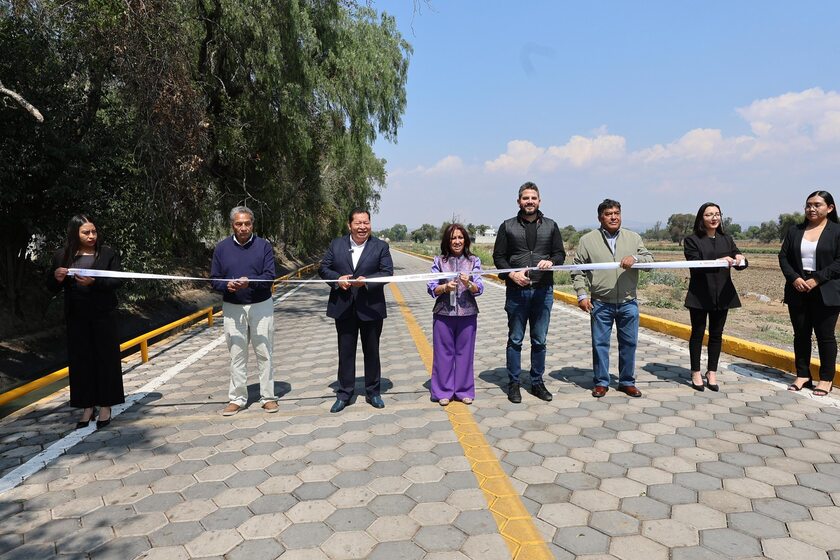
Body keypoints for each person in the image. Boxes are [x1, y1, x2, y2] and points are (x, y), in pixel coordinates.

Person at [47, 215, 125, 429]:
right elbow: (50, 286)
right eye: (86, 232)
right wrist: (56, 278)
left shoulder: (107, 253)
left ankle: (106, 405)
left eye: (94, 231)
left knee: (106, 359)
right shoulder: (62, 256)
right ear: (75, 233)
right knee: (81, 362)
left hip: (103, 314)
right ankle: (87, 407)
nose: (91, 236)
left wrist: (94, 283)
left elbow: (118, 280)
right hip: (77, 316)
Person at [572, 199, 654, 398]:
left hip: (628, 302)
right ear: (600, 217)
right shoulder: (587, 240)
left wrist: (635, 258)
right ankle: (601, 382)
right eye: (609, 214)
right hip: (600, 303)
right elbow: (577, 269)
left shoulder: (633, 238)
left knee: (629, 344)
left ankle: (627, 382)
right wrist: (582, 295)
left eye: (617, 213)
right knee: (600, 344)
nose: (613, 217)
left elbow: (650, 261)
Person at [493, 182, 566, 403]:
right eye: (526, 198)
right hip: (517, 292)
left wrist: (551, 261)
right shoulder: (507, 226)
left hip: (543, 291)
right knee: (515, 339)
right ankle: (514, 383)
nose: (530, 201)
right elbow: (499, 258)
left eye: (533, 198)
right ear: (519, 201)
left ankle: (537, 382)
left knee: (539, 340)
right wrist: (511, 274)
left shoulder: (551, 226)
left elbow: (560, 254)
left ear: (539, 201)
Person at [319, 208, 394, 413]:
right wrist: (338, 279)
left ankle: (373, 392)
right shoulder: (337, 244)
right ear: (349, 225)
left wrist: (368, 281)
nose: (362, 227)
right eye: (358, 223)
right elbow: (324, 268)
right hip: (344, 307)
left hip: (371, 308)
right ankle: (344, 393)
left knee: (372, 351)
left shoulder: (380, 246)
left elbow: (387, 272)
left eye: (366, 222)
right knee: (345, 352)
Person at [211, 206, 278, 416]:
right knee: (237, 354)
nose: (243, 228)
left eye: (247, 223)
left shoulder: (264, 246)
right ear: (232, 225)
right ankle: (237, 398)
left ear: (252, 224)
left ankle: (268, 397)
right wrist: (226, 285)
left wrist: (251, 281)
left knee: (264, 353)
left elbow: (270, 276)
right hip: (233, 308)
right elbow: (214, 279)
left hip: (261, 306)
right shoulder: (221, 248)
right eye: (239, 224)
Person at [779, 190, 840, 396]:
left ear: (829, 208)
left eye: (817, 205)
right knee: (801, 335)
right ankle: (803, 375)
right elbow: (783, 257)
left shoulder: (837, 231)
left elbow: (839, 262)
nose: (811, 208)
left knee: (825, 336)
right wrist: (794, 278)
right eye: (808, 205)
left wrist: (817, 279)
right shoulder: (795, 230)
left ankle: (826, 379)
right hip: (798, 288)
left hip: (826, 289)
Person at [684, 203, 747, 392]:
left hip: (723, 295)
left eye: (717, 214)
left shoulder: (726, 239)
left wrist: (740, 259)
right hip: (700, 294)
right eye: (709, 214)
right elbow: (694, 264)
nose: (714, 218)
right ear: (701, 218)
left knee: (716, 334)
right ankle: (696, 372)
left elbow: (741, 263)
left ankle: (712, 372)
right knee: (697, 333)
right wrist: (718, 261)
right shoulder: (692, 240)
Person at [427, 224, 484, 406]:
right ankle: (442, 391)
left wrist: (469, 284)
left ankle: (464, 390)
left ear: (465, 240)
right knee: (443, 354)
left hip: (468, 313)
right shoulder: (439, 261)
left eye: (460, 237)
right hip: (443, 313)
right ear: (447, 241)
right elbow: (431, 287)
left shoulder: (473, 261)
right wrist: (444, 287)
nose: (457, 241)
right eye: (453, 238)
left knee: (465, 354)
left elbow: (479, 287)